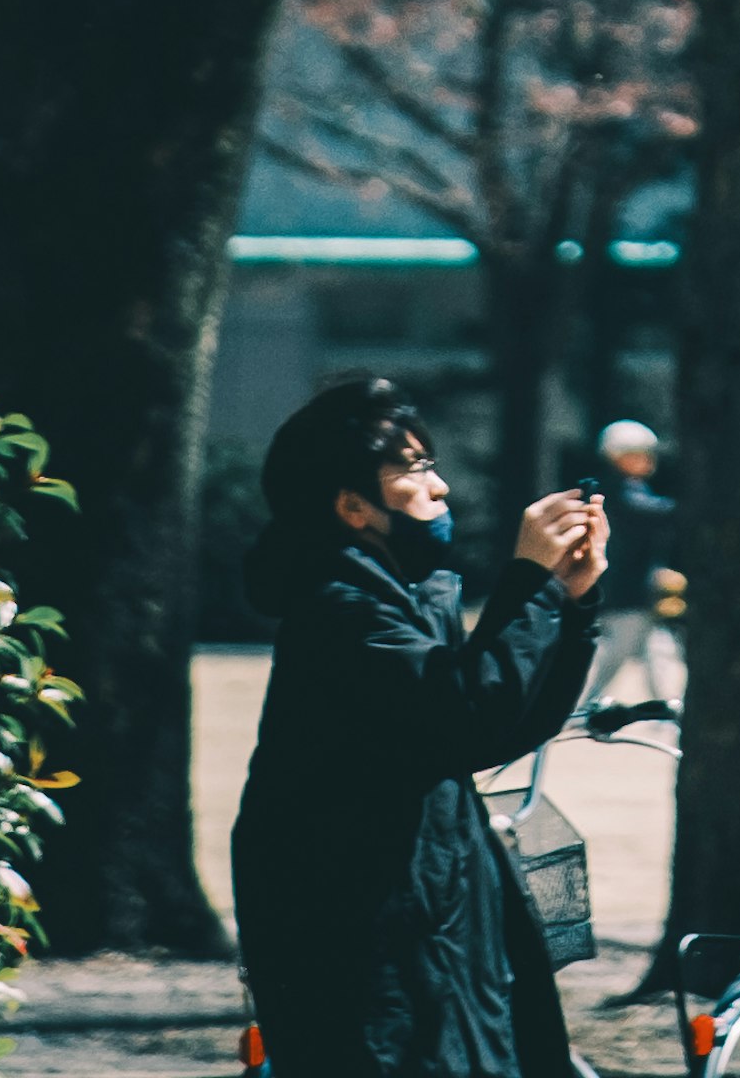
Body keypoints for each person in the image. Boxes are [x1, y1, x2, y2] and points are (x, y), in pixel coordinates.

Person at [231, 376, 610, 1078]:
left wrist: (570, 602)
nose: (437, 487)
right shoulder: (341, 611)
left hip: (436, 916)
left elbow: (492, 731)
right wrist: (530, 585)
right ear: (352, 507)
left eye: (431, 464)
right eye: (412, 469)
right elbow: (466, 713)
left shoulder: (402, 596)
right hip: (367, 936)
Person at [581, 419, 682, 707]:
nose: (650, 460)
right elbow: (658, 513)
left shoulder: (632, 489)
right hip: (626, 592)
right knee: (614, 655)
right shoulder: (616, 492)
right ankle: (574, 708)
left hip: (638, 593)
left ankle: (669, 708)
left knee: (658, 650)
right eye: (640, 453)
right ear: (617, 456)